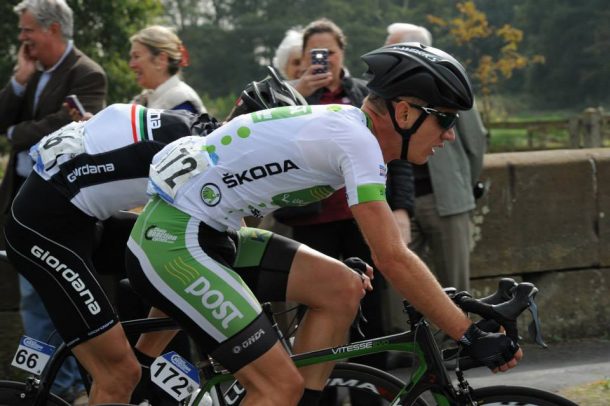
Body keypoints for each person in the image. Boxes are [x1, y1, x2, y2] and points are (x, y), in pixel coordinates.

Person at [124, 43, 522, 406]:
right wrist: (465, 333)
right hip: (177, 241)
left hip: (209, 234)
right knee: (277, 385)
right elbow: (392, 257)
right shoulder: (356, 140)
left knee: (341, 288)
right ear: (404, 113)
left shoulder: (351, 129)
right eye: (444, 120)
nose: (450, 135)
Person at [2, 104, 221, 404]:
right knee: (119, 374)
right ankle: (129, 372)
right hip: (43, 232)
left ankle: (140, 366)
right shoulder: (203, 162)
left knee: (177, 258)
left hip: (79, 218)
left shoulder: (188, 124)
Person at [278, 19, 414, 405]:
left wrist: (401, 208)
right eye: (313, 55)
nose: (323, 61)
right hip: (311, 218)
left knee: (369, 304)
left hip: (360, 214)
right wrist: (298, 92)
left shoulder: (363, 96)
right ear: (302, 59)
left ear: (343, 55)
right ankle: (319, 390)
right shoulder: (293, 96)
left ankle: (373, 389)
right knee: (316, 306)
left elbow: (395, 154)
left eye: (330, 53)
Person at [0, 1, 106, 404]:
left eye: (28, 30)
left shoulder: (86, 73)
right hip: (21, 203)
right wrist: (19, 81)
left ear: (53, 30)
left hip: (59, 208)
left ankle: (63, 387)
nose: (22, 38)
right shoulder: (33, 74)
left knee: (48, 296)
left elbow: (67, 129)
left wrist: (17, 132)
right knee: (33, 297)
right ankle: (49, 384)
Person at [385, 23, 487, 292]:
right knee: (400, 290)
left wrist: (462, 187)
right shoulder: (388, 94)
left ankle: (457, 335)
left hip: (446, 200)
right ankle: (413, 335)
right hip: (398, 204)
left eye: (391, 50)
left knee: (455, 286)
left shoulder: (450, 84)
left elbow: (475, 143)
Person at [129, 25, 205, 114]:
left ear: (161, 59)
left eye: (137, 56)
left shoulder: (182, 103)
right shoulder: (145, 100)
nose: (131, 65)